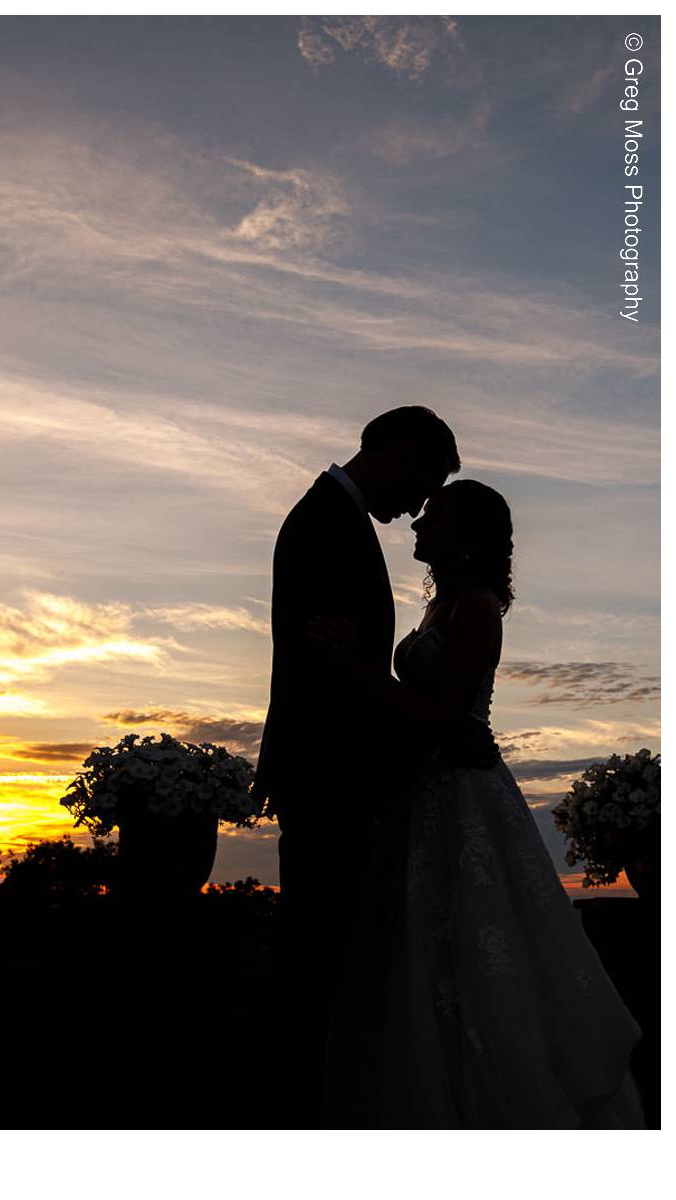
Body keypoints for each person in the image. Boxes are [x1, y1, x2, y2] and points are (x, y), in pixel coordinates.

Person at [312, 479, 647, 1128]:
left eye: (430, 518)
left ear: (464, 534)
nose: (415, 526)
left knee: (474, 948)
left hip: (463, 794)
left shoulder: (478, 609)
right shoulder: (440, 607)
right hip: (418, 794)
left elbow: (448, 719)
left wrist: (361, 672)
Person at [253, 408, 497, 1128]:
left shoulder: (335, 520)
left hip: (356, 782)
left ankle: (315, 1101)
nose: (421, 506)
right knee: (318, 954)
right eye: (426, 481)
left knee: (333, 953)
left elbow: (348, 669)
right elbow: (318, 673)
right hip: (333, 780)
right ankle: (298, 1109)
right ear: (395, 453)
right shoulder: (327, 523)